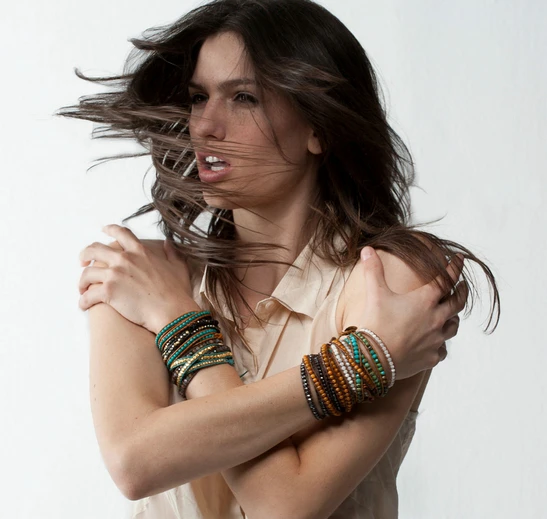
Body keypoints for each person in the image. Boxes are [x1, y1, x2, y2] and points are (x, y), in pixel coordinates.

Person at [62, 0, 499, 517]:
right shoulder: (140, 274)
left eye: (243, 98)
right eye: (199, 97)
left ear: (319, 127)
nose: (206, 126)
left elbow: (284, 505)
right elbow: (134, 464)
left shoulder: (388, 280)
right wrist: (356, 366)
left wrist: (179, 324)